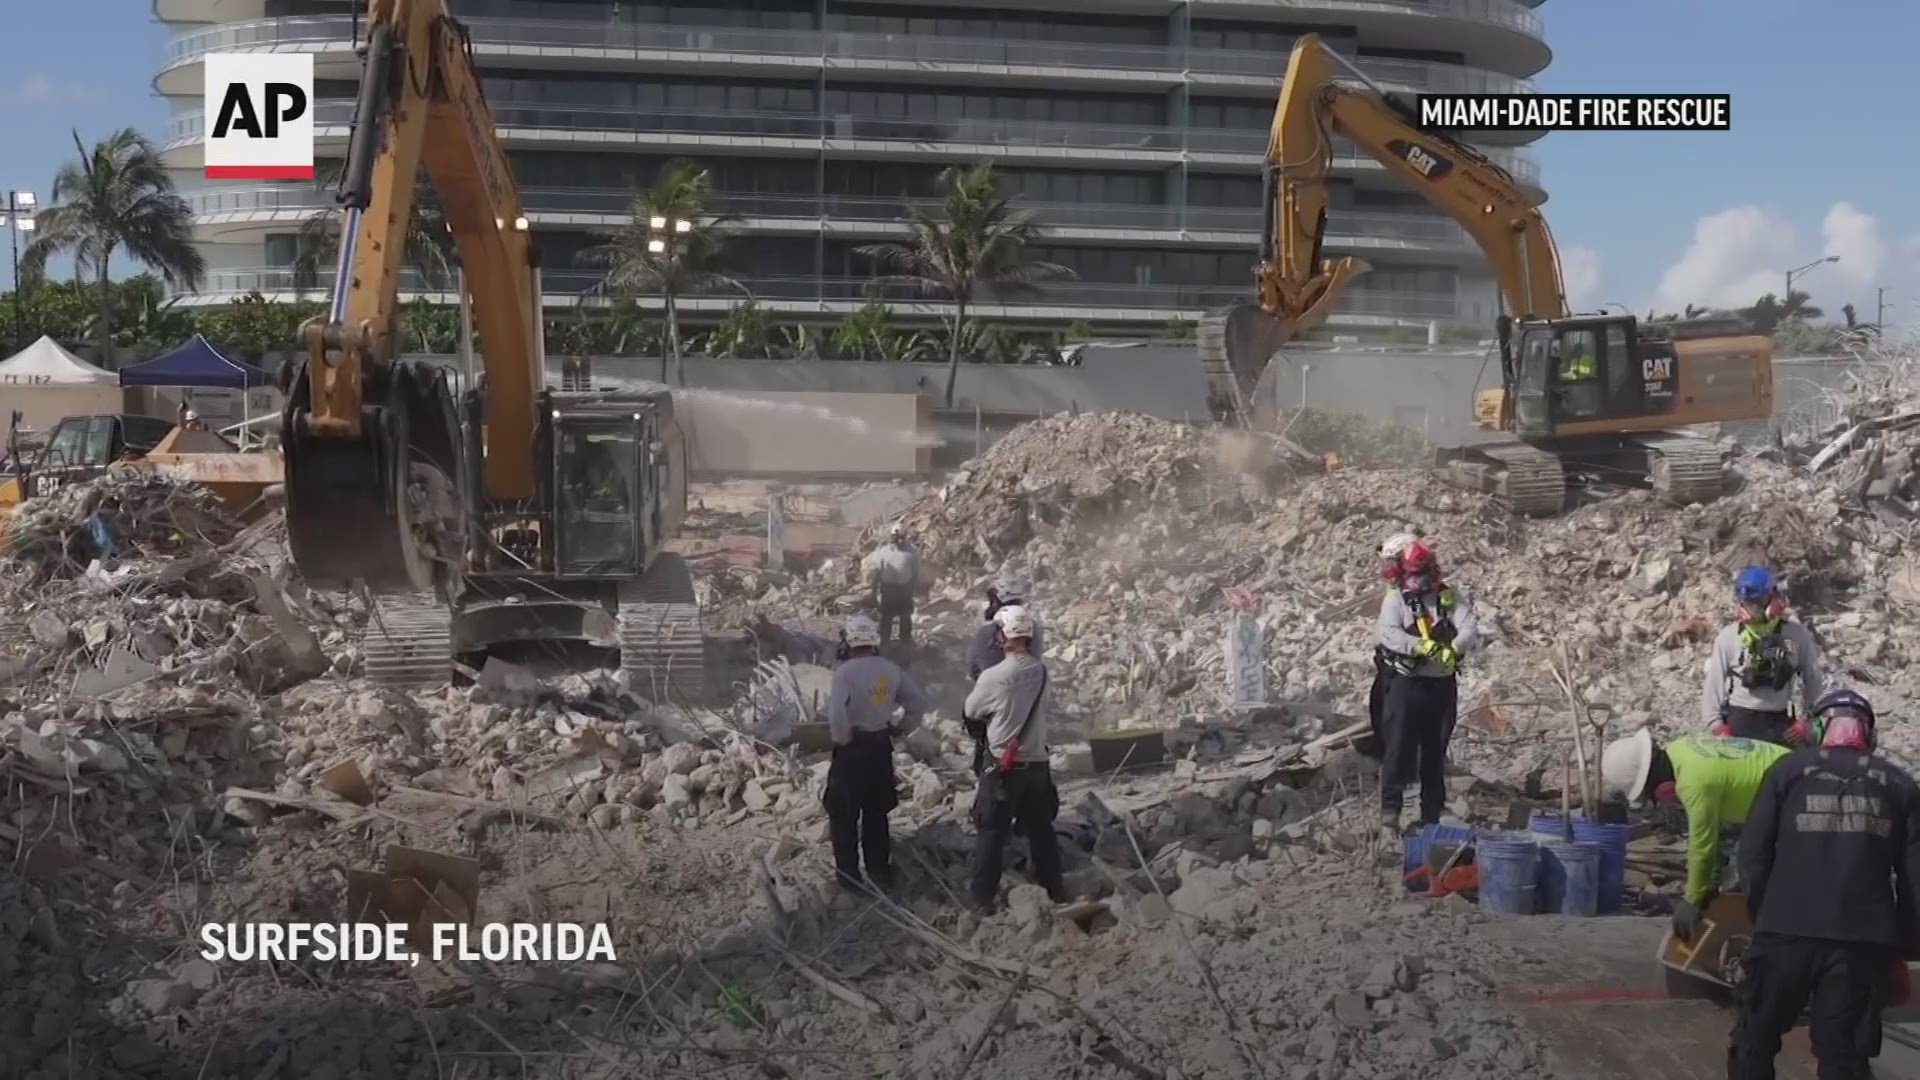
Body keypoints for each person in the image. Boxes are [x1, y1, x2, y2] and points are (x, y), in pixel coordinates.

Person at [1727, 688, 1920, 1080]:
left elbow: (1751, 857)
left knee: (1755, 1039)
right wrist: (1903, 948)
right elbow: (1915, 881)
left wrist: (1763, 914)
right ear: (1870, 732)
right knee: (1843, 1054)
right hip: (1862, 942)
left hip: (1784, 929)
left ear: (1818, 727)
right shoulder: (1900, 785)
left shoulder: (1786, 771)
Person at [1600, 728, 1791, 940]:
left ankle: (1772, 937)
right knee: (1743, 860)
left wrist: (1692, 900)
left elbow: (1702, 845)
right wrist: (1709, 883)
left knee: (1752, 867)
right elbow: (1718, 830)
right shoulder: (1680, 747)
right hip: (1784, 769)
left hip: (1790, 787)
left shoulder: (1694, 783)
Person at [1373, 538, 1479, 834]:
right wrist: (1421, 647)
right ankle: (1390, 811)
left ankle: (1432, 809)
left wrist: (1455, 647)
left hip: (1441, 685)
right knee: (1397, 746)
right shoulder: (1396, 599)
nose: (1419, 579)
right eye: (1413, 572)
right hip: (1406, 684)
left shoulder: (1448, 596)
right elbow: (1389, 634)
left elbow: (1469, 626)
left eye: (1424, 572)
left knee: (1435, 748)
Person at [964, 605, 1063, 912]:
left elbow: (971, 712)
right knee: (1041, 830)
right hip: (1037, 764)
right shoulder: (1043, 672)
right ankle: (1054, 888)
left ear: (1001, 636)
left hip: (1004, 768)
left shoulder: (993, 677)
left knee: (991, 833)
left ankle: (982, 899)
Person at [823, 615, 927, 891]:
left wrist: (842, 738)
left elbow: (836, 714)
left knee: (843, 814)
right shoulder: (890, 669)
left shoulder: (844, 673)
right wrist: (901, 727)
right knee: (876, 812)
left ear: (848, 641)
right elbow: (917, 702)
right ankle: (879, 872)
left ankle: (848, 877)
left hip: (852, 749)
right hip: (880, 747)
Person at [1701, 565, 1823, 746]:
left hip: (1780, 723)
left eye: (1757, 602)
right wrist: (1717, 727)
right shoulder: (1728, 637)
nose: (1752, 609)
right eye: (1747, 603)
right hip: (1739, 722)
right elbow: (1713, 687)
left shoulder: (1796, 635)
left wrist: (1806, 722)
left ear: (1773, 597)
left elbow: (1813, 680)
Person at [967, 567, 1046, 775]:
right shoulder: (1033, 627)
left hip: (995, 695)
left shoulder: (989, 631)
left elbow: (975, 666)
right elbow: (1036, 657)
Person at [1365, 531, 1421, 762]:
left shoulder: (1417, 591)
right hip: (1389, 663)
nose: (1384, 570)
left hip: (1406, 666)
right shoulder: (1397, 588)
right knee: (1380, 708)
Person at [863, 525, 922, 648]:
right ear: (892, 537)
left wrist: (912, 590)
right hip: (888, 590)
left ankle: (905, 646)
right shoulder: (883, 552)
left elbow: (915, 573)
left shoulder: (912, 552)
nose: (900, 541)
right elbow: (877, 574)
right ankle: (885, 646)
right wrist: (873, 593)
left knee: (905, 619)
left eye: (902, 537)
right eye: (897, 537)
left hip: (904, 591)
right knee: (886, 620)